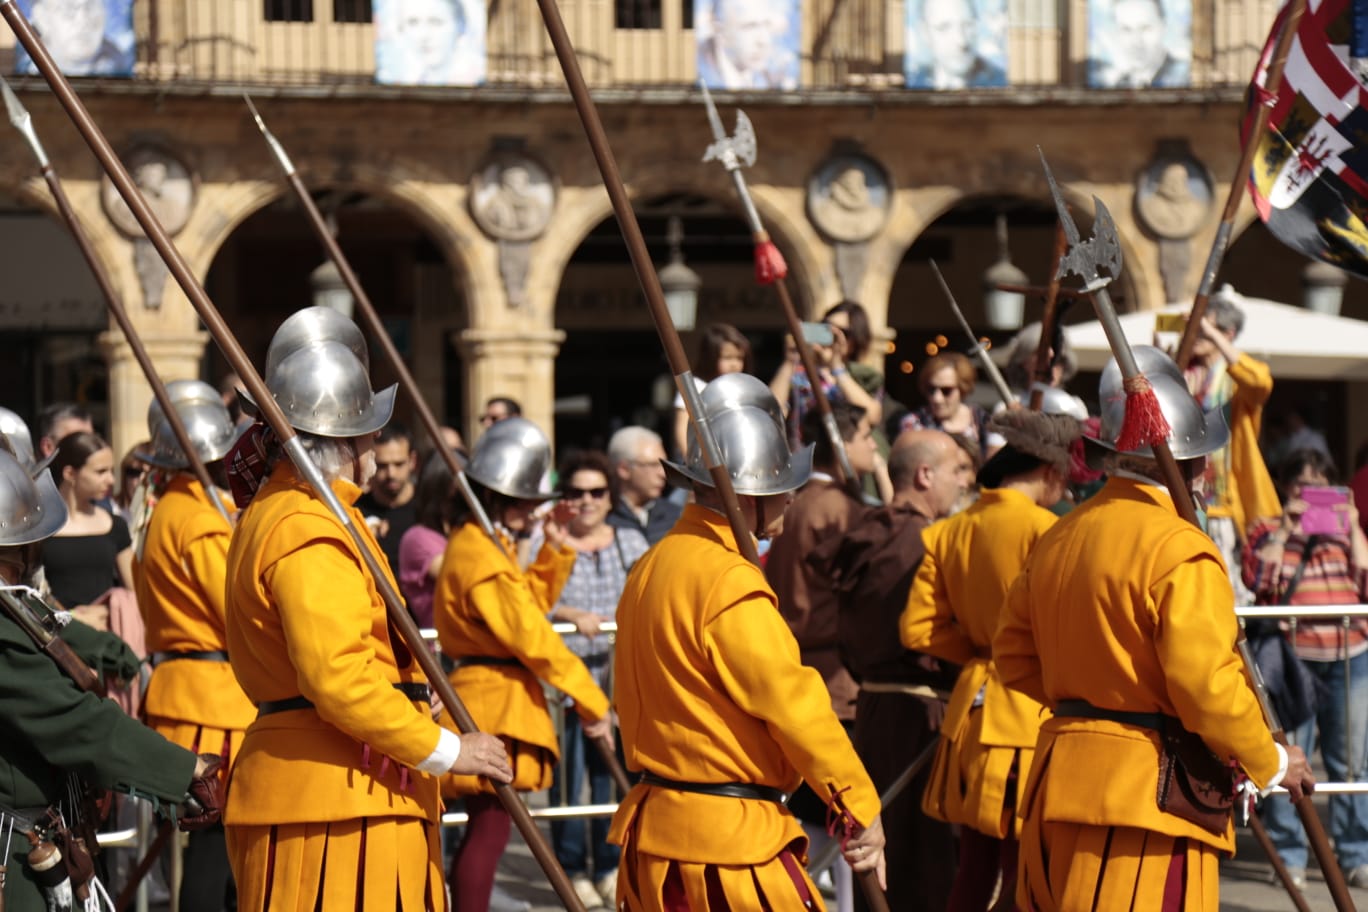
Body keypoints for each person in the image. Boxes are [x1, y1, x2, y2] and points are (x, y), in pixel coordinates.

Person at [993, 356, 1315, 910]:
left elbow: (1013, 656)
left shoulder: (1061, 535)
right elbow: (1206, 688)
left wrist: (1089, 704)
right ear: (1186, 464)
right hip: (1148, 804)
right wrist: (1274, 760)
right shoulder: (1180, 548)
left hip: (1060, 783)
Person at [223, 325, 512, 910]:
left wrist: (407, 689)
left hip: (340, 788)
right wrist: (448, 750)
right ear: (344, 443)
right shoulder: (304, 526)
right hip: (338, 801)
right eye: (369, 438)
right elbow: (337, 678)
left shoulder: (303, 513)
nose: (376, 454)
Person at [608, 372, 886, 909]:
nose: (791, 496)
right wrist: (859, 804)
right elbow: (793, 704)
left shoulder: (653, 564)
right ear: (749, 495)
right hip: (727, 855)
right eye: (780, 486)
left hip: (659, 841)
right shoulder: (727, 579)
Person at [0, 442, 224, 912]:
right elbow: (77, 723)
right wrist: (186, 773)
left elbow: (61, 638)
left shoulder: (11, 604)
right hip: (15, 849)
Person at [901, 409, 1081, 911]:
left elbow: (917, 627)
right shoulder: (1048, 529)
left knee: (977, 871)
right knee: (1022, 874)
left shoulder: (950, 530)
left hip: (972, 711)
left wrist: (981, 652)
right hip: (1027, 712)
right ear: (1049, 473)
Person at [432, 416, 612, 912]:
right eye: (525, 502)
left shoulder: (485, 546)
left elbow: (525, 607)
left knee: (488, 828)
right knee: (489, 830)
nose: (534, 511)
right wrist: (592, 699)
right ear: (499, 499)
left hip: (494, 694)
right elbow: (532, 635)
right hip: (491, 701)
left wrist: (553, 547)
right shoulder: (480, 554)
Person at [807, 428, 965, 912]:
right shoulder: (924, 541)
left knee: (891, 849)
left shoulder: (865, 530)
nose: (964, 482)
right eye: (957, 470)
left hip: (875, 708)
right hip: (920, 717)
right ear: (924, 474)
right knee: (919, 858)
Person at [132, 380, 252, 912]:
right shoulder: (200, 521)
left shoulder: (164, 512)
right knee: (214, 849)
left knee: (214, 846)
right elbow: (236, 611)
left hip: (186, 692)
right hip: (212, 702)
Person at [764, 401, 880, 912]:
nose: (873, 448)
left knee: (820, 811)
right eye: (868, 438)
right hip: (834, 674)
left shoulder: (799, 501)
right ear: (843, 442)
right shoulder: (837, 508)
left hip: (812, 663)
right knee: (846, 818)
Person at [1243, 448, 1368, 889]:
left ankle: (1355, 854)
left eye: (1320, 488)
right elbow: (1256, 580)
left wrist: (1350, 525)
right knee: (1289, 763)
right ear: (1285, 487)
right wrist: (1287, 530)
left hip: (1350, 655)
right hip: (1291, 661)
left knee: (1352, 764)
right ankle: (1289, 856)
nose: (1311, 496)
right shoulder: (1266, 530)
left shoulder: (1347, 532)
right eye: (1302, 487)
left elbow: (1366, 577)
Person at [545, 449, 650, 908]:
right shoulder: (548, 541)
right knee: (567, 776)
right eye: (576, 492)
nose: (587, 501)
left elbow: (651, 593)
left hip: (617, 679)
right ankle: (571, 866)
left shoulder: (631, 541)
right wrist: (570, 614)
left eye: (596, 492)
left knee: (611, 775)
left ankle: (609, 864)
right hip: (565, 680)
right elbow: (529, 600)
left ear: (610, 496)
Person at [1181, 291, 1281, 601]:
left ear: (1228, 334)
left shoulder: (1235, 377)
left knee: (1224, 589)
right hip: (1183, 496)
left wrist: (1212, 334)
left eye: (1205, 329)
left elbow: (1261, 382)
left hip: (1223, 504)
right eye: (1195, 328)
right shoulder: (1187, 373)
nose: (1197, 334)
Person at [41, 431, 133, 631]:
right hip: (59, 637)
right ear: (70, 474)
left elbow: (135, 591)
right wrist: (72, 618)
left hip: (109, 637)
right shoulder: (41, 528)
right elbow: (32, 591)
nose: (111, 480)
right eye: (101, 472)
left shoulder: (115, 525)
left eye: (111, 470)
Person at [770, 301, 885, 449]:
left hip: (846, 459)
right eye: (826, 327)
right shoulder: (799, 373)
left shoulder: (865, 376)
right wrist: (790, 360)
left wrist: (836, 366)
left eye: (842, 332)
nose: (831, 336)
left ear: (856, 340)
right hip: (803, 459)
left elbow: (871, 416)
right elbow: (771, 413)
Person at [897, 351, 1003, 461]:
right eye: (931, 389)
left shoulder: (982, 421)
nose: (937, 398)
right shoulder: (913, 423)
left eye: (946, 391)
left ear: (963, 389)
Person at [398, 450, 463, 629]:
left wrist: (525, 535)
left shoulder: (467, 533)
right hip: (442, 651)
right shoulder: (417, 538)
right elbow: (461, 581)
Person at [672, 323, 752, 460]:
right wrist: (690, 460)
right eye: (727, 357)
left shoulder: (742, 388)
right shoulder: (695, 387)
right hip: (700, 463)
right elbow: (682, 427)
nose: (734, 364)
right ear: (710, 357)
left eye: (739, 358)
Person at [356, 423, 420, 574]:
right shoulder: (355, 512)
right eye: (382, 465)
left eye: (399, 464)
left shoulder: (428, 510)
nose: (391, 473)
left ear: (412, 460)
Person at [696, 0, 799, 90]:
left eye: (766, 25)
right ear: (719, 30)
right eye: (750, 27)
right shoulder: (697, 74)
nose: (763, 41)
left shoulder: (777, 78)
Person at [906, 0, 1007, 89]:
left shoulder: (1002, 81)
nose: (961, 41)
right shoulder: (913, 81)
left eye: (968, 25)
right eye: (944, 27)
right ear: (924, 33)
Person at [378, 0, 483, 85]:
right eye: (413, 22)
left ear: (460, 25)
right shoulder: (397, 78)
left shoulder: (474, 77)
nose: (424, 36)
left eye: (435, 22)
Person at [1086, 0, 1188, 87]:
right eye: (1126, 29)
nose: (1136, 41)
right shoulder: (1119, 83)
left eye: (1145, 28)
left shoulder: (1183, 76)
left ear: (1163, 27)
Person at [606, 426, 680, 545]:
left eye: (664, 465)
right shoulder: (603, 518)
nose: (663, 474)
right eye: (653, 465)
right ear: (624, 469)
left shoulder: (676, 516)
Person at [22, 0, 134, 76]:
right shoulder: (26, 68)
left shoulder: (123, 64)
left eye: (91, 6)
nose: (83, 20)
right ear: (41, 18)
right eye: (68, 9)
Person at [113, 440, 152, 524]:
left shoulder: (165, 513)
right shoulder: (109, 511)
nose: (141, 480)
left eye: (150, 474)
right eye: (134, 472)